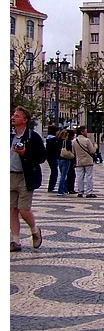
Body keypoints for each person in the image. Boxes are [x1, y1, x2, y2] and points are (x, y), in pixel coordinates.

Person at [11, 106, 47, 252]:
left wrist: (25, 153)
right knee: (11, 209)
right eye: (13, 115)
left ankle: (34, 230)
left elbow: (41, 157)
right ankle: (15, 241)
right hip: (10, 175)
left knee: (23, 209)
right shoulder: (9, 135)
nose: (13, 117)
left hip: (26, 176)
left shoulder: (33, 137)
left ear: (25, 120)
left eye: (17, 115)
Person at [74, 125, 98, 198]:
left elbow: (73, 152)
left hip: (79, 160)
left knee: (80, 177)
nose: (86, 132)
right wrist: (95, 146)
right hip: (88, 160)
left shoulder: (74, 141)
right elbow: (92, 151)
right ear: (82, 132)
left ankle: (80, 191)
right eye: (85, 131)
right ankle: (89, 192)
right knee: (89, 176)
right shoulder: (87, 140)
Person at [56, 129, 75, 196]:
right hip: (66, 159)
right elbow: (70, 151)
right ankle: (60, 190)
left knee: (62, 175)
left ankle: (64, 189)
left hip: (59, 159)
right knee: (63, 176)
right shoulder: (67, 142)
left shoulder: (58, 141)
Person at [45, 124, 61, 192]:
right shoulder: (53, 139)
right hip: (53, 157)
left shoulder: (49, 138)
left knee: (54, 171)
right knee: (54, 172)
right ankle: (51, 187)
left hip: (49, 157)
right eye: (58, 131)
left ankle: (51, 186)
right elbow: (56, 149)